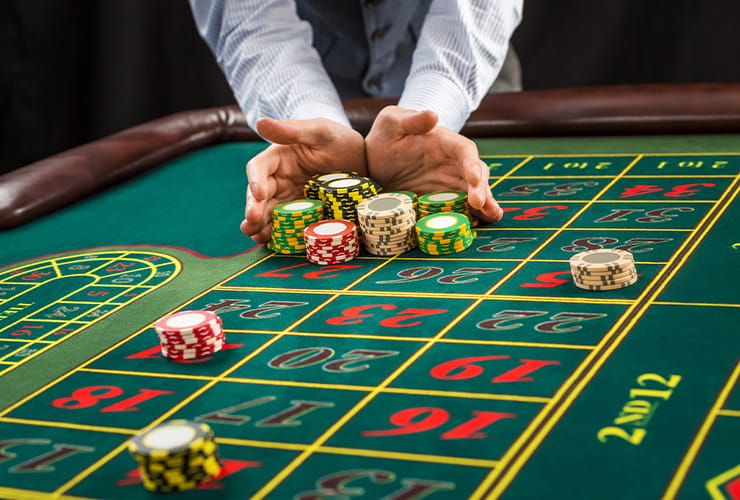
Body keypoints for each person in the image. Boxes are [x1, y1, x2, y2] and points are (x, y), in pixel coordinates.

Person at [188, 0, 523, 243]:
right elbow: (251, 24)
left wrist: (426, 115)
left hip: (465, 79)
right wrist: (311, 123)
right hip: (314, 77)